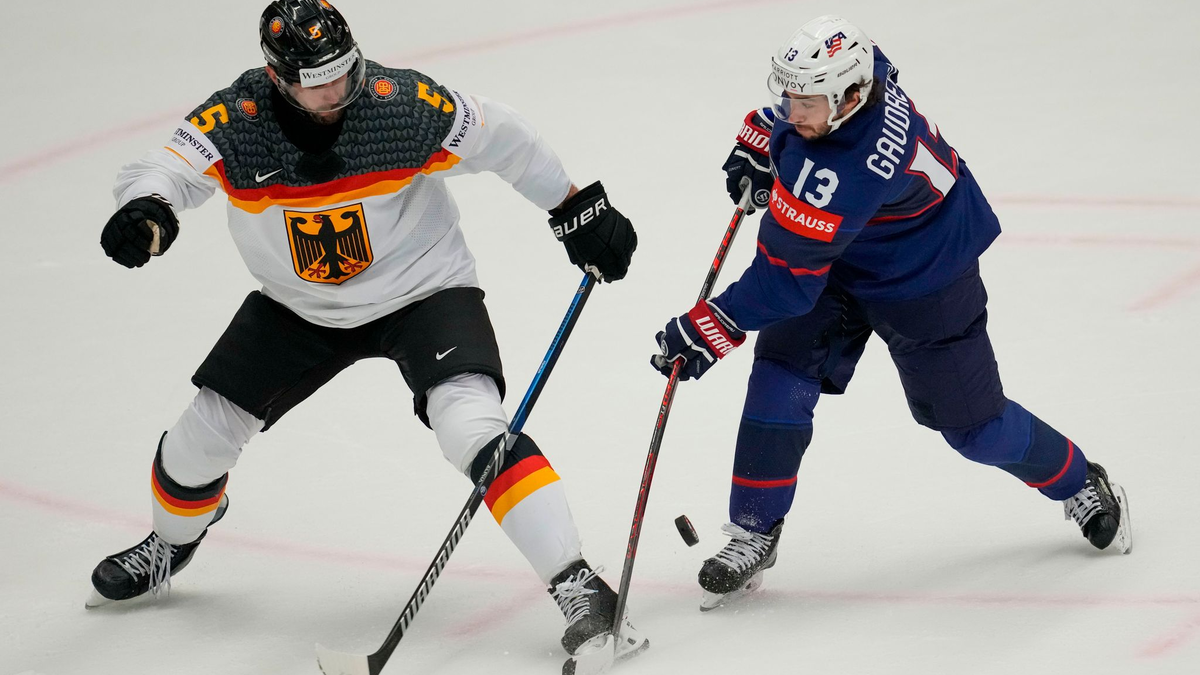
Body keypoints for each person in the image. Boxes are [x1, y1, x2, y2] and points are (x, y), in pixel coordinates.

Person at [89, 0, 647, 663]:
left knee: (472, 426)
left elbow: (503, 135)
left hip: (423, 291)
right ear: (277, 79)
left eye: (343, 71)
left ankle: (579, 584)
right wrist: (145, 207)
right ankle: (172, 541)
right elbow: (164, 169)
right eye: (316, 82)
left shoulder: (401, 106)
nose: (336, 91)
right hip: (298, 308)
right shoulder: (235, 120)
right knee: (197, 443)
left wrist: (575, 206)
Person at [651, 15, 1132, 611]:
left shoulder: (848, 169)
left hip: (925, 275)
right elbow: (806, 112)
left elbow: (785, 284)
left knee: (975, 429)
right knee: (781, 375)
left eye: (805, 104)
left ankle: (1078, 478)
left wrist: (711, 325)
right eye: (789, 98)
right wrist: (764, 135)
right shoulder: (861, 73)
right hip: (840, 253)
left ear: (851, 99)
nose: (792, 112)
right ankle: (755, 528)